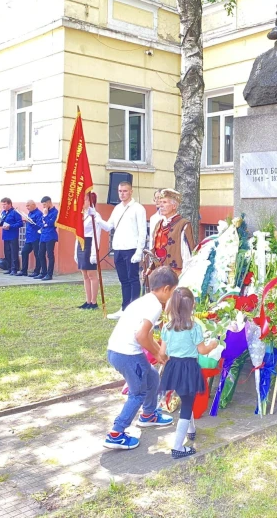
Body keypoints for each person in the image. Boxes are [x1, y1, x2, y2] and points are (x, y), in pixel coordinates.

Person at [103, 266, 178, 451]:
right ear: (166, 289)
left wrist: (158, 351)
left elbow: (146, 335)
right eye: (173, 292)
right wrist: (157, 353)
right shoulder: (153, 306)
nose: (172, 297)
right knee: (138, 393)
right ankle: (116, 433)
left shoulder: (145, 300)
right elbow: (141, 336)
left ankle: (149, 415)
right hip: (127, 354)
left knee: (152, 377)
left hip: (118, 350)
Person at [159, 287, 219, 459]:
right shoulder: (193, 327)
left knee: (187, 398)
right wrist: (213, 345)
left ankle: (191, 430)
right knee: (187, 404)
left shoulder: (167, 327)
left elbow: (163, 352)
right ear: (192, 305)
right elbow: (202, 350)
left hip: (173, 368)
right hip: (189, 368)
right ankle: (178, 447)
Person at [108, 181, 147, 319]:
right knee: (123, 279)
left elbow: (143, 231)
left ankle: (134, 309)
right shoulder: (117, 208)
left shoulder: (138, 208)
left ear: (131, 191)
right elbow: (108, 226)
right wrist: (96, 218)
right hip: (118, 248)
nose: (122, 194)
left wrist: (139, 251)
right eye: (120, 191)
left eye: (125, 191)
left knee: (133, 279)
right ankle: (124, 308)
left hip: (131, 248)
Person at [77, 192, 112, 309]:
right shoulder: (82, 214)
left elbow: (97, 233)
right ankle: (87, 300)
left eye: (85, 200)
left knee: (92, 275)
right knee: (85, 275)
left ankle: (93, 301)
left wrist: (94, 253)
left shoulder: (95, 215)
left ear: (91, 201)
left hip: (90, 244)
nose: (82, 202)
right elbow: (77, 233)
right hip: (81, 243)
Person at [148, 189, 196, 276]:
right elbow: (154, 250)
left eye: (165, 202)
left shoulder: (183, 224)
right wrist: (150, 268)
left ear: (174, 206)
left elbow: (187, 255)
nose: (161, 205)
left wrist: (185, 275)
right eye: (160, 202)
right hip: (159, 272)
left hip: (175, 274)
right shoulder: (159, 224)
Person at [35, 196, 58, 281]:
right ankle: (43, 272)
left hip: (51, 235)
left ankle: (49, 274)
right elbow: (40, 222)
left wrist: (45, 216)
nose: (44, 206)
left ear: (49, 202)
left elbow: (51, 223)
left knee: (50, 255)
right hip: (43, 235)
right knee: (40, 253)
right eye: (43, 205)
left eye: (45, 204)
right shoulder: (45, 211)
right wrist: (44, 222)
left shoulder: (55, 212)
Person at [0, 198, 23, 275]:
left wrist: (10, 226)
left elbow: (20, 223)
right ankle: (9, 268)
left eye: (5, 204)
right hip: (5, 235)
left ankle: (14, 269)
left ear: (9, 204)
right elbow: (1, 223)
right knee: (7, 252)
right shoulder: (3, 212)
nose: (3, 206)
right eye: (2, 204)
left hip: (13, 235)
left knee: (13, 252)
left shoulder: (15, 212)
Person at [18, 200, 43, 276]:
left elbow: (39, 225)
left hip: (36, 237)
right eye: (26, 205)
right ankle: (24, 270)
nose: (27, 207)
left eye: (28, 205)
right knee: (24, 252)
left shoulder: (39, 214)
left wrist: (31, 222)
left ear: (33, 205)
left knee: (37, 254)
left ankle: (37, 271)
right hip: (29, 237)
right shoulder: (29, 213)